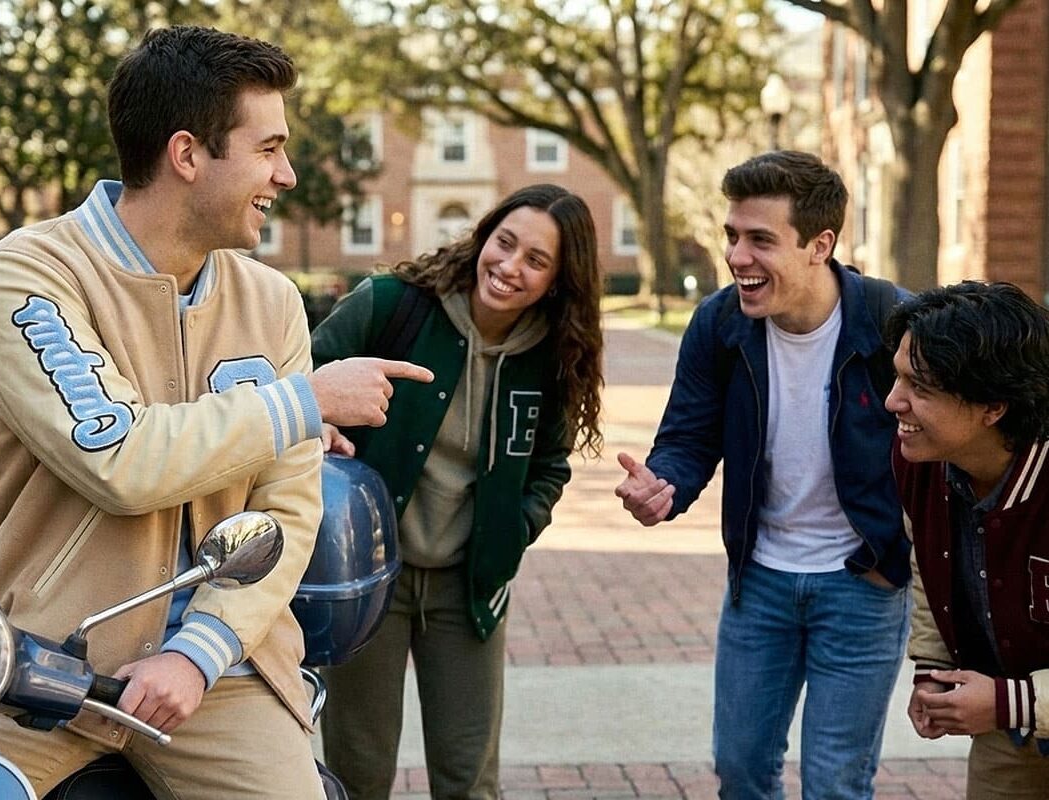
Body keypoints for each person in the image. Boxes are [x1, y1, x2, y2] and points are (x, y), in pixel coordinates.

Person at [0, 25, 431, 800]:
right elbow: (122, 461)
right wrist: (305, 400)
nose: (287, 173)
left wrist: (198, 652)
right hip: (40, 668)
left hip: (226, 675)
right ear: (187, 154)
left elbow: (289, 508)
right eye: (269, 148)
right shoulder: (27, 275)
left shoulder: (271, 300)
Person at [615, 150, 912, 799]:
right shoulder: (721, 325)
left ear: (819, 244)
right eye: (732, 235)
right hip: (762, 581)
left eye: (760, 240)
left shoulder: (892, 325)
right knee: (742, 770)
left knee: (836, 782)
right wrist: (661, 487)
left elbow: (951, 446)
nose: (736, 256)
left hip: (863, 583)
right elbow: (688, 439)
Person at [311, 183, 604, 800]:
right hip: (369, 582)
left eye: (536, 260)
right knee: (358, 772)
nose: (510, 266)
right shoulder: (392, 307)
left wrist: (513, 530)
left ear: (558, 279)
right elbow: (296, 384)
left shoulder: (552, 354)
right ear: (483, 236)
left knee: (468, 778)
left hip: (469, 588)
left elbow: (550, 465)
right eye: (505, 243)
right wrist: (323, 427)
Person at [884, 281, 1049, 798]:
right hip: (1012, 732)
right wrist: (933, 667)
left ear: (993, 406)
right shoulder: (920, 462)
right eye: (897, 377)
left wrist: (1011, 702)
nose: (894, 402)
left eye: (920, 387)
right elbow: (927, 564)